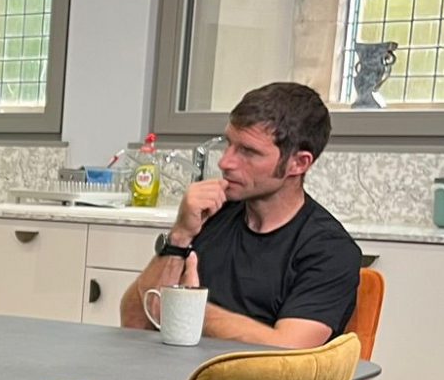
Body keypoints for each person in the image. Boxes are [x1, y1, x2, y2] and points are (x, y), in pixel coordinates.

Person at [121, 82, 361, 347]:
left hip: (255, 376)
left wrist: (187, 305)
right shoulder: (211, 215)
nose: (225, 162)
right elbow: (134, 324)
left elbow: (287, 349)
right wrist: (180, 236)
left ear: (298, 163)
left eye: (248, 151)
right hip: (178, 371)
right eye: (229, 144)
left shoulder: (330, 250)